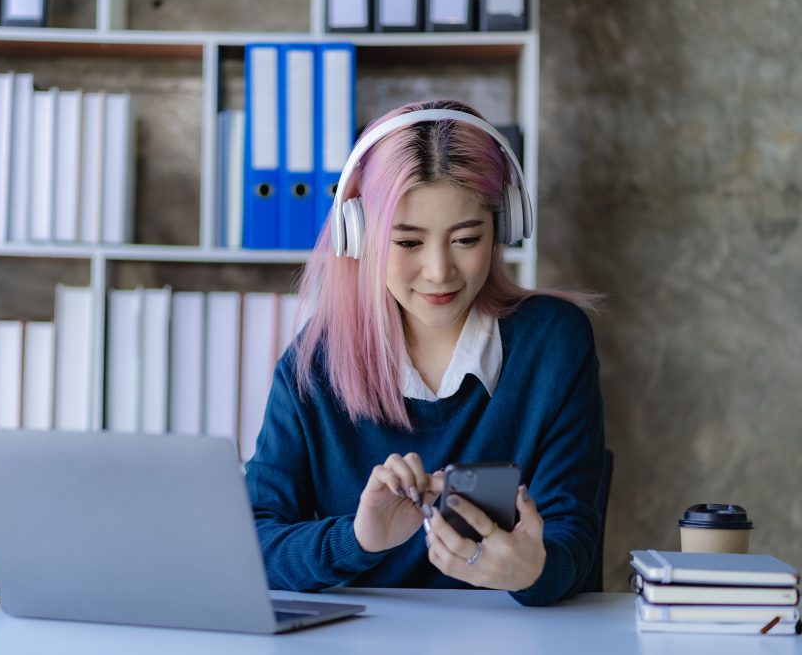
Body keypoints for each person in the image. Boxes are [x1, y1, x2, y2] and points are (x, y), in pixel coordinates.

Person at [244, 99, 605, 607]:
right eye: (408, 243)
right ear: (360, 236)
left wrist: (535, 568)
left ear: (504, 228)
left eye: (465, 238)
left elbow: (574, 539)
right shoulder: (313, 366)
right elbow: (252, 546)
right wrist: (358, 539)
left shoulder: (553, 343)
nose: (439, 271)